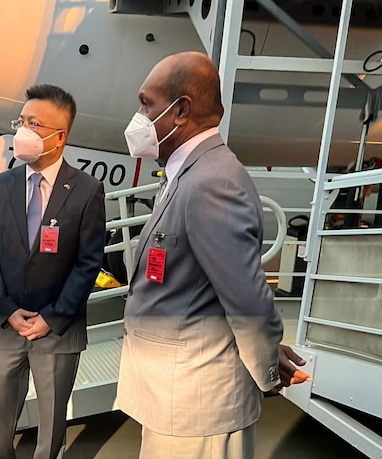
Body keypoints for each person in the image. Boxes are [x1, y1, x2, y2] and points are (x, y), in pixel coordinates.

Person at [116, 51, 284, 459]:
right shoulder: (191, 173)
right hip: (175, 402)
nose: (139, 115)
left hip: (197, 411)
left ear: (181, 111)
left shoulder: (212, 182)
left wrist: (268, 369)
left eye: (146, 103)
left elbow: (247, 299)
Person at [0, 84, 108, 459]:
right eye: (22, 121)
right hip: (6, 324)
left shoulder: (86, 191)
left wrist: (52, 317)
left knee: (51, 433)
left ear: (60, 136)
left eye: (35, 124)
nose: (23, 131)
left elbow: (88, 262)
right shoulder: (0, 186)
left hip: (57, 330)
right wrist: (6, 309)